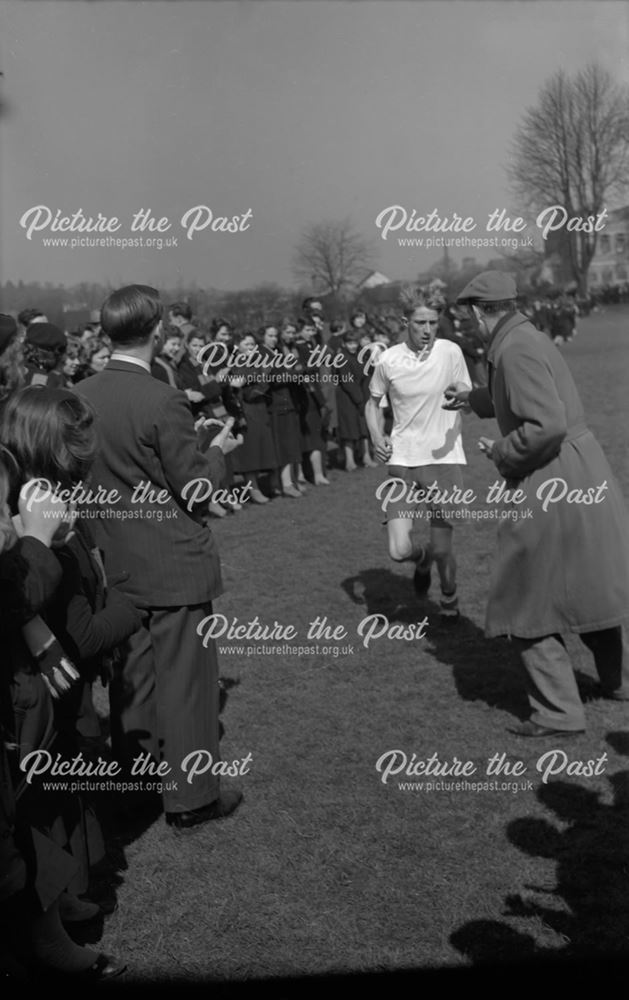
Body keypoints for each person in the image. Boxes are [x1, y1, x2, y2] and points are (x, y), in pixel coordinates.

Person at [76, 285, 244, 828]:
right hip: (172, 560)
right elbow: (195, 488)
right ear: (157, 331)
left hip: (115, 559)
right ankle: (192, 799)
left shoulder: (80, 397)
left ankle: (134, 787)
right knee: (188, 685)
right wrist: (219, 450)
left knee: (135, 680)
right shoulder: (162, 398)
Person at [444, 270, 629, 736]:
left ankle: (557, 713)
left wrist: (503, 452)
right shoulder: (527, 335)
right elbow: (525, 396)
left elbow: (545, 425)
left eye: (467, 315)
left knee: (524, 596)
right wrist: (475, 399)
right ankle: (620, 682)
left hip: (551, 475)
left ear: (476, 312)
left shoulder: (514, 347)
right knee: (589, 584)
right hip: (580, 472)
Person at [366, 292, 472, 620]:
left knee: (444, 548)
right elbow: (372, 403)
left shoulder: (450, 352)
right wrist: (376, 435)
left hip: (443, 460)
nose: (427, 329)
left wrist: (462, 401)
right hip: (402, 460)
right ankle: (421, 559)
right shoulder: (388, 360)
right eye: (419, 322)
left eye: (432, 322)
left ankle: (449, 597)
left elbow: (467, 394)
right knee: (399, 551)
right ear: (405, 323)